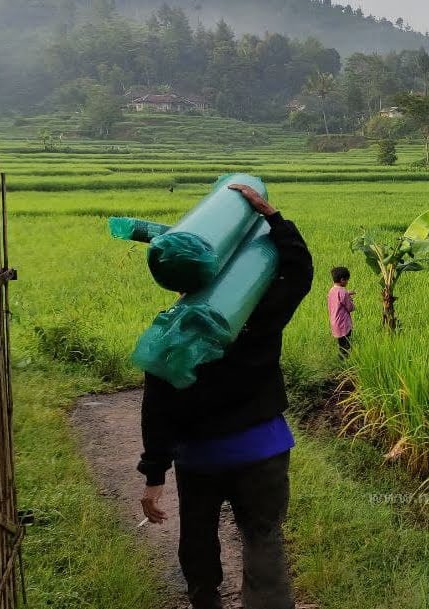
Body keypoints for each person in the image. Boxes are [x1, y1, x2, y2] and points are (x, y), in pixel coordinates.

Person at [138, 184, 313, 609]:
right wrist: (271, 216)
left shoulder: (170, 336)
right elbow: (299, 272)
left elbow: (157, 409)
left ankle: (205, 599)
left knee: (198, 533)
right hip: (263, 449)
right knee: (263, 536)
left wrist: (154, 476)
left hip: (200, 458)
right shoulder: (261, 320)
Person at [327, 266, 355, 358]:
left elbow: (337, 299)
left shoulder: (332, 290)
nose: (347, 282)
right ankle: (344, 362)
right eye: (347, 280)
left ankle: (342, 360)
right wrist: (351, 302)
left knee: (341, 344)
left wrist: (347, 293)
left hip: (335, 323)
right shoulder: (343, 292)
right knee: (346, 346)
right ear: (342, 280)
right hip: (343, 324)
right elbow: (350, 307)